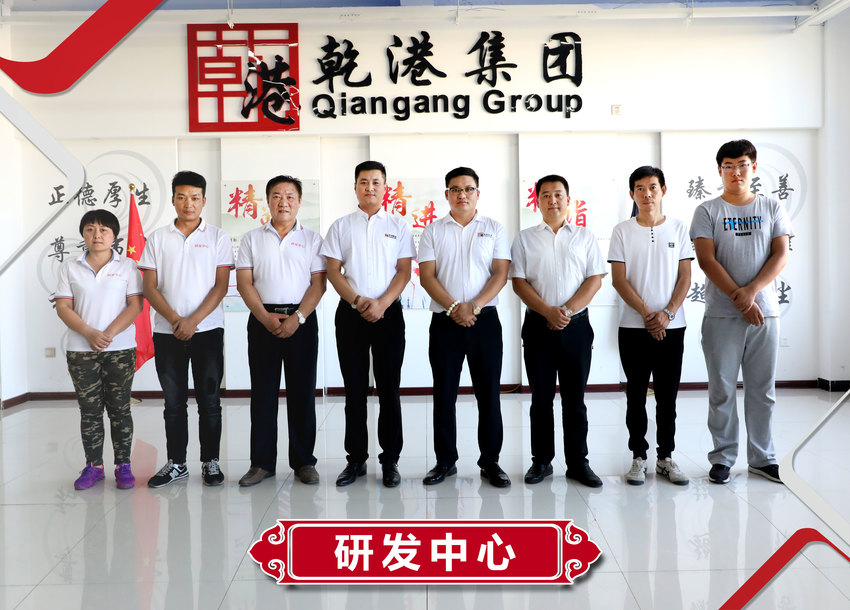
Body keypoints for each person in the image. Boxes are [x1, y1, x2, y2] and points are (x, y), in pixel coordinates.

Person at [690, 139, 792, 485]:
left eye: (743, 165)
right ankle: (723, 458)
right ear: (720, 171)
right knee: (721, 390)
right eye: (729, 166)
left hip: (765, 313)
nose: (736, 172)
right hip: (721, 315)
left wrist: (751, 293)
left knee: (762, 390)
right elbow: (707, 260)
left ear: (754, 167)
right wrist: (740, 298)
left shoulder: (772, 206)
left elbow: (780, 254)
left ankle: (763, 458)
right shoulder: (707, 211)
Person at [321, 161, 415, 488]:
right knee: (355, 389)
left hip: (389, 314)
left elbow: (404, 271)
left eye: (376, 182)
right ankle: (356, 459)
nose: (370, 187)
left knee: (389, 389)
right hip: (351, 314)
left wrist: (382, 303)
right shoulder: (341, 226)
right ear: (355, 187)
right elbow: (333, 271)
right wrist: (358, 301)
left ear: (385, 187)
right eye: (364, 181)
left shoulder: (398, 225)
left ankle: (390, 460)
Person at [139, 170, 234, 488]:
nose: (188, 203)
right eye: (182, 197)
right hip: (167, 333)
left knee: (210, 401)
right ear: (173, 200)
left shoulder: (218, 237)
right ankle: (177, 463)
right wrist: (176, 320)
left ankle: (210, 462)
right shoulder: (157, 238)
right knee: (174, 403)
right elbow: (150, 287)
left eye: (194, 197)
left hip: (208, 332)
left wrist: (192, 322)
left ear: (204, 200)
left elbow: (221, 286)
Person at [419, 167, 511, 488]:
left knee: (489, 394)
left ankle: (491, 462)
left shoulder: (494, 229)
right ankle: (445, 461)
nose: (462, 195)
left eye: (469, 189)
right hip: (445, 322)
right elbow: (427, 276)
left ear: (477, 193)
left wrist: (474, 306)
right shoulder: (432, 231)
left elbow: (500, 274)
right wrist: (454, 307)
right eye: (456, 189)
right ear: (446, 194)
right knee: (444, 394)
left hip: (484, 321)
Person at [511, 175, 605, 487]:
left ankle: (578, 463)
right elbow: (519, 282)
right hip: (538, 327)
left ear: (568, 200)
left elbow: (594, 279)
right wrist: (547, 311)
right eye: (546, 195)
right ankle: (541, 461)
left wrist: (565, 311)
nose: (552, 200)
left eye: (558, 194)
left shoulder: (584, 237)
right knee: (540, 399)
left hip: (576, 328)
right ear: (537, 200)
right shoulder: (524, 238)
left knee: (575, 400)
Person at [235, 175, 326, 487]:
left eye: (289, 196)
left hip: (302, 320)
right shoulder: (251, 239)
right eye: (276, 196)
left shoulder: (313, 239)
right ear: (268, 201)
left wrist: (297, 318)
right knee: (263, 394)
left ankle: (304, 462)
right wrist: (264, 317)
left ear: (299, 202)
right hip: (263, 321)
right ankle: (261, 464)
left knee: (302, 393)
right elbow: (244, 282)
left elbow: (318, 284)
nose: (283, 202)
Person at [609, 166, 693, 486]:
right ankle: (638, 457)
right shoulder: (622, 231)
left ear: (663, 190)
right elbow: (619, 280)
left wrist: (667, 314)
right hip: (633, 327)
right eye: (640, 188)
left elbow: (685, 277)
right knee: (635, 395)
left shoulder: (678, 228)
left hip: (673, 327)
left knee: (667, 396)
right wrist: (647, 314)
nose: (647, 194)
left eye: (653, 187)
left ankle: (666, 457)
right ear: (632, 193)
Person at [55, 210, 143, 490]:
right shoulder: (70, 267)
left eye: (104, 229)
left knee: (120, 409)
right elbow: (63, 307)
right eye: (90, 229)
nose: (97, 235)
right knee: (90, 411)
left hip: (120, 349)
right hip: (81, 350)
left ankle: (123, 466)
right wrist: (89, 332)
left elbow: (135, 305)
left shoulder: (128, 266)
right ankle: (93, 466)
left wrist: (109, 334)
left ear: (114, 235)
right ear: (83, 234)